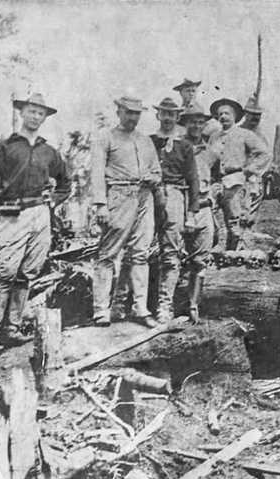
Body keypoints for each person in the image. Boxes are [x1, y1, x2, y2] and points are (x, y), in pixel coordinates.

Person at [0, 93, 69, 355]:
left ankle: (12, 328)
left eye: (40, 113)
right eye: (31, 111)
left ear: (44, 117)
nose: (35, 116)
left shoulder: (48, 151)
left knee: (28, 273)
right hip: (11, 215)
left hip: (40, 215)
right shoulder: (4, 147)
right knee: (5, 273)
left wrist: (53, 199)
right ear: (22, 113)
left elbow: (65, 182)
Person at [90, 95, 161, 328]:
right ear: (118, 111)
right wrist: (100, 203)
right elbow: (97, 172)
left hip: (144, 197)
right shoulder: (106, 137)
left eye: (137, 113)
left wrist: (153, 178)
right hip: (118, 196)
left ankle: (140, 307)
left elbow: (157, 171)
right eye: (128, 112)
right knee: (108, 253)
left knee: (140, 253)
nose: (133, 117)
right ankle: (101, 309)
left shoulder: (145, 140)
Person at [148, 97, 199, 324]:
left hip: (175, 196)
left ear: (178, 117)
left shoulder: (185, 145)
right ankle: (128, 303)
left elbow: (193, 180)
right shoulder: (148, 141)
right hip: (148, 196)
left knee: (171, 252)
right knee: (139, 249)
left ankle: (164, 305)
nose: (167, 118)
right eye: (164, 113)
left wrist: (192, 213)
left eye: (172, 114)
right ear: (158, 115)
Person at [206, 97, 271, 250]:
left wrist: (250, 169)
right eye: (220, 114)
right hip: (217, 182)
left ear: (235, 116)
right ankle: (214, 251)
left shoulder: (244, 134)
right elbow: (206, 160)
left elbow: (265, 154)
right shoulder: (214, 137)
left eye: (227, 114)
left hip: (236, 182)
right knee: (210, 216)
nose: (223, 117)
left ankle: (236, 255)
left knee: (235, 222)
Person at [179, 103, 217, 323]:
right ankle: (164, 305)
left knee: (201, 260)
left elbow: (219, 178)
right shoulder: (176, 147)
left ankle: (193, 305)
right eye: (192, 121)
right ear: (185, 123)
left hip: (204, 209)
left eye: (200, 121)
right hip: (180, 207)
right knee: (172, 257)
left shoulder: (211, 151)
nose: (196, 125)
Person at [239, 96, 271, 232]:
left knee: (251, 216)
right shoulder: (237, 132)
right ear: (246, 114)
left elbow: (266, 157)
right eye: (252, 115)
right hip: (238, 180)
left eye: (258, 115)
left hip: (255, 180)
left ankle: (248, 237)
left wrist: (256, 171)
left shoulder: (261, 136)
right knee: (238, 214)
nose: (255, 119)